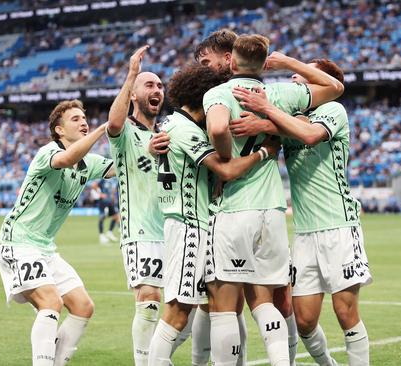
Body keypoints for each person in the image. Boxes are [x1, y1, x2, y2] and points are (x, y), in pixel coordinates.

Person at [203, 34, 344, 366]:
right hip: (273, 209)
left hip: (234, 208)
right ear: (263, 64)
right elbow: (335, 88)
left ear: (232, 62)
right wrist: (290, 64)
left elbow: (220, 128)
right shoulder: (282, 92)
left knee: (224, 303)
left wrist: (225, 162)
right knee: (267, 301)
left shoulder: (219, 93)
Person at [232, 58, 372, 366]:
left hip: (339, 226)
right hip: (305, 233)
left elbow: (308, 135)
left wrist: (268, 110)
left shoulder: (334, 111)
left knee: (345, 311)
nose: (295, 82)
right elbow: (282, 130)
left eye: (302, 77)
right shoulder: (290, 118)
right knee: (305, 321)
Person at [147, 63, 281, 366]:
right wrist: (264, 153)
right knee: (178, 312)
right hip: (188, 227)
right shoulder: (184, 129)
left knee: (209, 305)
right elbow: (226, 169)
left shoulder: (172, 125)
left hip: (191, 225)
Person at [0, 100, 114, 366]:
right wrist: (103, 129)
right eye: (75, 119)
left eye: (84, 117)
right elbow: (67, 158)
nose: (83, 122)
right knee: (51, 302)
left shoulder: (89, 163)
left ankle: (56, 361)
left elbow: (125, 167)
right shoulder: (48, 152)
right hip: (18, 242)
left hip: (45, 248)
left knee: (84, 307)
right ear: (59, 130)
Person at [106, 45, 167, 365]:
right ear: (134, 94)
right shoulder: (126, 132)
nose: (157, 89)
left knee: (188, 307)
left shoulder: (167, 133)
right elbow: (112, 124)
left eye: (160, 85)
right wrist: (132, 74)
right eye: (149, 84)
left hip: (172, 230)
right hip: (140, 232)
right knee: (149, 300)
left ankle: (160, 358)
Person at [90, 180, 118, 245]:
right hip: (102, 202)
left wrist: (112, 197)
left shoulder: (112, 180)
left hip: (109, 202)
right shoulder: (102, 180)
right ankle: (101, 235)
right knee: (102, 217)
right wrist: (100, 194)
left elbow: (112, 190)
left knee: (116, 217)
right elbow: (93, 185)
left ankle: (110, 232)